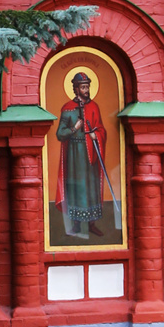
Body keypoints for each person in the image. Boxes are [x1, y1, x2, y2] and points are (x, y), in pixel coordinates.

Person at [55, 72, 107, 238]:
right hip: (74, 155)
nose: (86, 90)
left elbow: (101, 129)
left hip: (90, 154)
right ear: (76, 89)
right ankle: (77, 225)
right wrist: (74, 128)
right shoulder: (68, 108)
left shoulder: (94, 107)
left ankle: (92, 224)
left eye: (87, 87)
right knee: (76, 188)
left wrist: (95, 135)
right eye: (83, 87)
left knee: (91, 187)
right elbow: (60, 134)